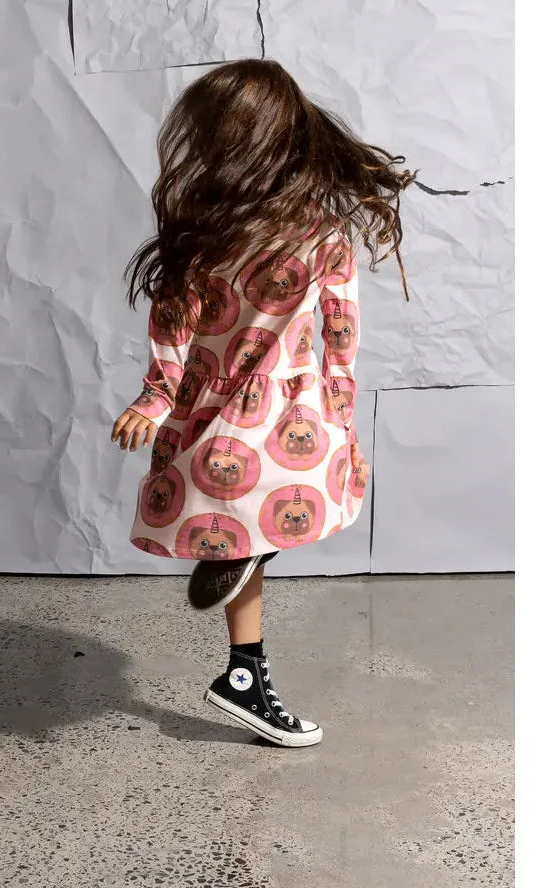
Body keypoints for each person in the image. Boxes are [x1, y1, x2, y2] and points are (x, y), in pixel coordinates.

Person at [110, 59, 415, 747]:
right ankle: (242, 638)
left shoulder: (213, 230)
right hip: (286, 422)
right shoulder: (309, 234)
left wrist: (159, 398)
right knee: (266, 517)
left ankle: (243, 669)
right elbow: (339, 340)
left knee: (245, 530)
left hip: (218, 420)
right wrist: (341, 420)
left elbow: (175, 327)